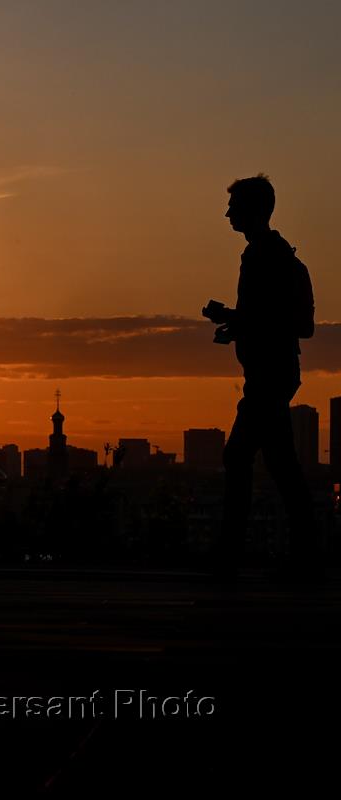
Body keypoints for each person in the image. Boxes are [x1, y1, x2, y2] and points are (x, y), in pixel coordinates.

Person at [201, 174, 317, 580]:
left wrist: (235, 318)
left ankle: (232, 554)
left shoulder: (266, 258)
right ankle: (305, 554)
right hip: (271, 374)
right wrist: (237, 325)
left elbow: (291, 324)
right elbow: (278, 321)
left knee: (240, 457)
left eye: (234, 207)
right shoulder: (270, 256)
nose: (227, 214)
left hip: (270, 376)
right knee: (280, 464)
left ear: (253, 211)